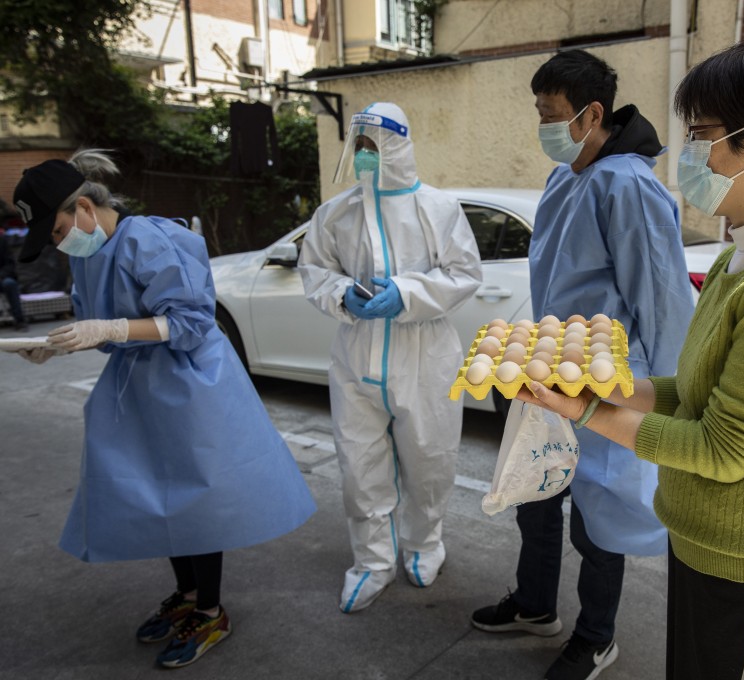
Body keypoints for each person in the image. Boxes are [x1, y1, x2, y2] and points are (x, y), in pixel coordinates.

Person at [516, 42, 744, 680]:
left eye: (701, 135)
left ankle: (594, 635)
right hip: (707, 535)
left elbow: (725, 448)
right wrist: (608, 386)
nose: (687, 155)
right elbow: (697, 388)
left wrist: (591, 409)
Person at [12, 150, 316, 669]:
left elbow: (192, 323)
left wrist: (109, 329)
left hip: (190, 383)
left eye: (59, 229)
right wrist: (59, 343)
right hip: (141, 384)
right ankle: (185, 595)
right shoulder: (88, 252)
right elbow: (99, 326)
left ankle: (210, 611)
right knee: (158, 495)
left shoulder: (150, 240)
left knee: (195, 497)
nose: (60, 242)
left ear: (85, 207)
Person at [470, 50, 695, 680]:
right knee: (536, 492)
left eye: (551, 115)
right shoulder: (568, 174)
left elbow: (662, 294)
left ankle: (596, 636)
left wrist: (671, 393)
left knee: (599, 511)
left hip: (609, 373)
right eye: (538, 113)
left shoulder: (629, 183)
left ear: (591, 114)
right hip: (554, 366)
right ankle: (536, 605)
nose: (542, 126)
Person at [298, 102, 482, 613]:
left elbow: (464, 274)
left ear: (398, 146)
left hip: (424, 354)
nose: (364, 157)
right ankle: (372, 562)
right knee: (359, 467)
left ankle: (425, 545)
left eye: (372, 146)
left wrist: (405, 292)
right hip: (357, 354)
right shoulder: (335, 213)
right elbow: (314, 270)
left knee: (430, 461)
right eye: (358, 147)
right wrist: (340, 294)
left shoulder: (439, 209)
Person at [0, 231, 28, 330]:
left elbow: (10, 264)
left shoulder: (2, 240)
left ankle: (19, 320)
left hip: (2, 277)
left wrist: (1, 275)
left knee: (10, 284)